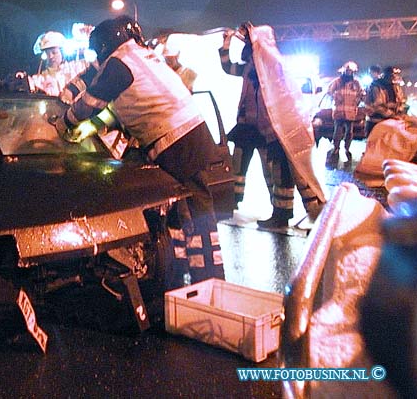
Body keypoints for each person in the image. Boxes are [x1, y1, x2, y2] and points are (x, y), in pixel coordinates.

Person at [53, 15, 225, 286]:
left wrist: (65, 122)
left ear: (104, 45)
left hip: (175, 141)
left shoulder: (119, 63)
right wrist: (92, 127)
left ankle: (208, 282)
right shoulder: (142, 57)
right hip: (191, 134)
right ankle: (186, 278)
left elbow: (91, 101)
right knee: (185, 209)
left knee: (194, 212)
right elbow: (124, 108)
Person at [219, 23, 326, 229]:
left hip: (279, 130)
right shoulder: (253, 67)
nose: (248, 49)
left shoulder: (271, 66)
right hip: (254, 128)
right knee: (260, 168)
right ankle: (284, 210)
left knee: (283, 172)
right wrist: (225, 44)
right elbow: (228, 67)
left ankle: (286, 213)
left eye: (251, 44)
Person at [218, 28, 268, 210]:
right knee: (238, 167)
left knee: (269, 171)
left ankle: (276, 205)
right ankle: (234, 200)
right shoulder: (247, 69)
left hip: (264, 129)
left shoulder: (269, 70)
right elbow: (227, 66)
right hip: (246, 127)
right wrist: (226, 43)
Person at [326, 61, 365, 164]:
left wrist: (357, 101)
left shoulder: (356, 83)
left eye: (350, 71)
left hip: (351, 112)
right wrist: (335, 96)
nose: (349, 73)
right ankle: (336, 147)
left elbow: (361, 94)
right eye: (347, 71)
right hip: (339, 111)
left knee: (349, 132)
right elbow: (329, 91)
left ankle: (347, 148)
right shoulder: (337, 82)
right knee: (337, 131)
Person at [28, 31, 88, 97]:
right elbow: (30, 88)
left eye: (54, 52)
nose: (50, 56)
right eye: (47, 53)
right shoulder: (39, 79)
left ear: (62, 52)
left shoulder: (76, 67)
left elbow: (94, 65)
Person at [365, 65, 407, 136]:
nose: (394, 78)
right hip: (376, 121)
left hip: (390, 121)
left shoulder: (396, 87)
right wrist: (392, 115)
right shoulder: (377, 87)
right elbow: (378, 105)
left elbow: (401, 101)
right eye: (392, 76)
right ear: (387, 76)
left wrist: (400, 111)